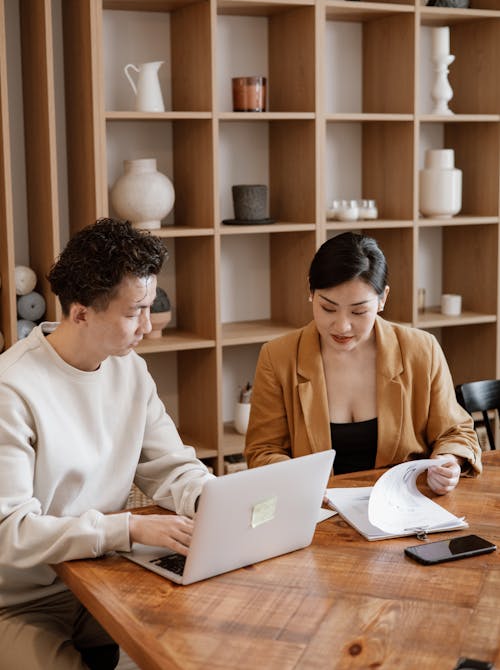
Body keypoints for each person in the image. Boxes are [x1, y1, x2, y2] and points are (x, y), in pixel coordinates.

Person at [0, 218, 214, 670]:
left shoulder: (129, 370)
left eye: (150, 306)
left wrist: (216, 501)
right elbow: (10, 532)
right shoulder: (11, 390)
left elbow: (173, 468)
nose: (149, 326)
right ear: (81, 312)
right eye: (135, 311)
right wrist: (129, 529)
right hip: (23, 601)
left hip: (105, 577)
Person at [245, 232, 482, 493]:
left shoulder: (421, 350)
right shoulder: (278, 357)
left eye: (358, 311)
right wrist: (303, 485)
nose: (342, 326)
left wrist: (447, 462)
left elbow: (456, 431)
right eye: (328, 308)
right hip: (317, 511)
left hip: (406, 508)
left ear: (383, 299)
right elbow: (263, 451)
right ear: (311, 292)